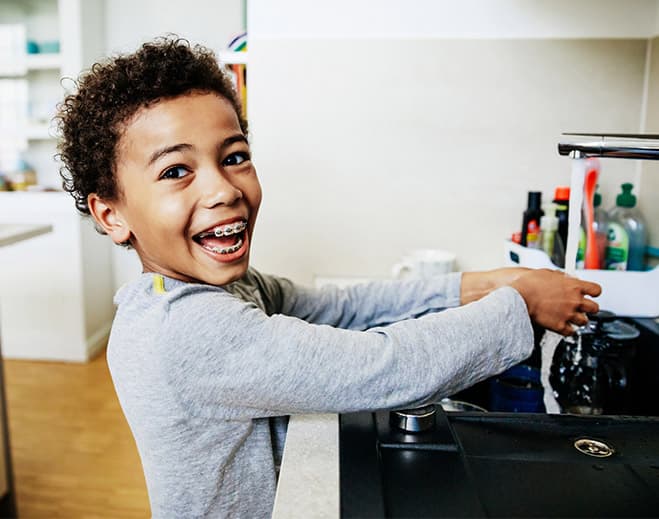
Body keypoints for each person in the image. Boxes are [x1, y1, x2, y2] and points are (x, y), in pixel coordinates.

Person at [56, 37, 601, 518]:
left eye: (235, 156)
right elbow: (378, 368)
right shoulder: (188, 330)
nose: (223, 189)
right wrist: (519, 305)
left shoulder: (206, 290)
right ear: (111, 214)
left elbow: (335, 306)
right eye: (176, 171)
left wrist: (474, 284)